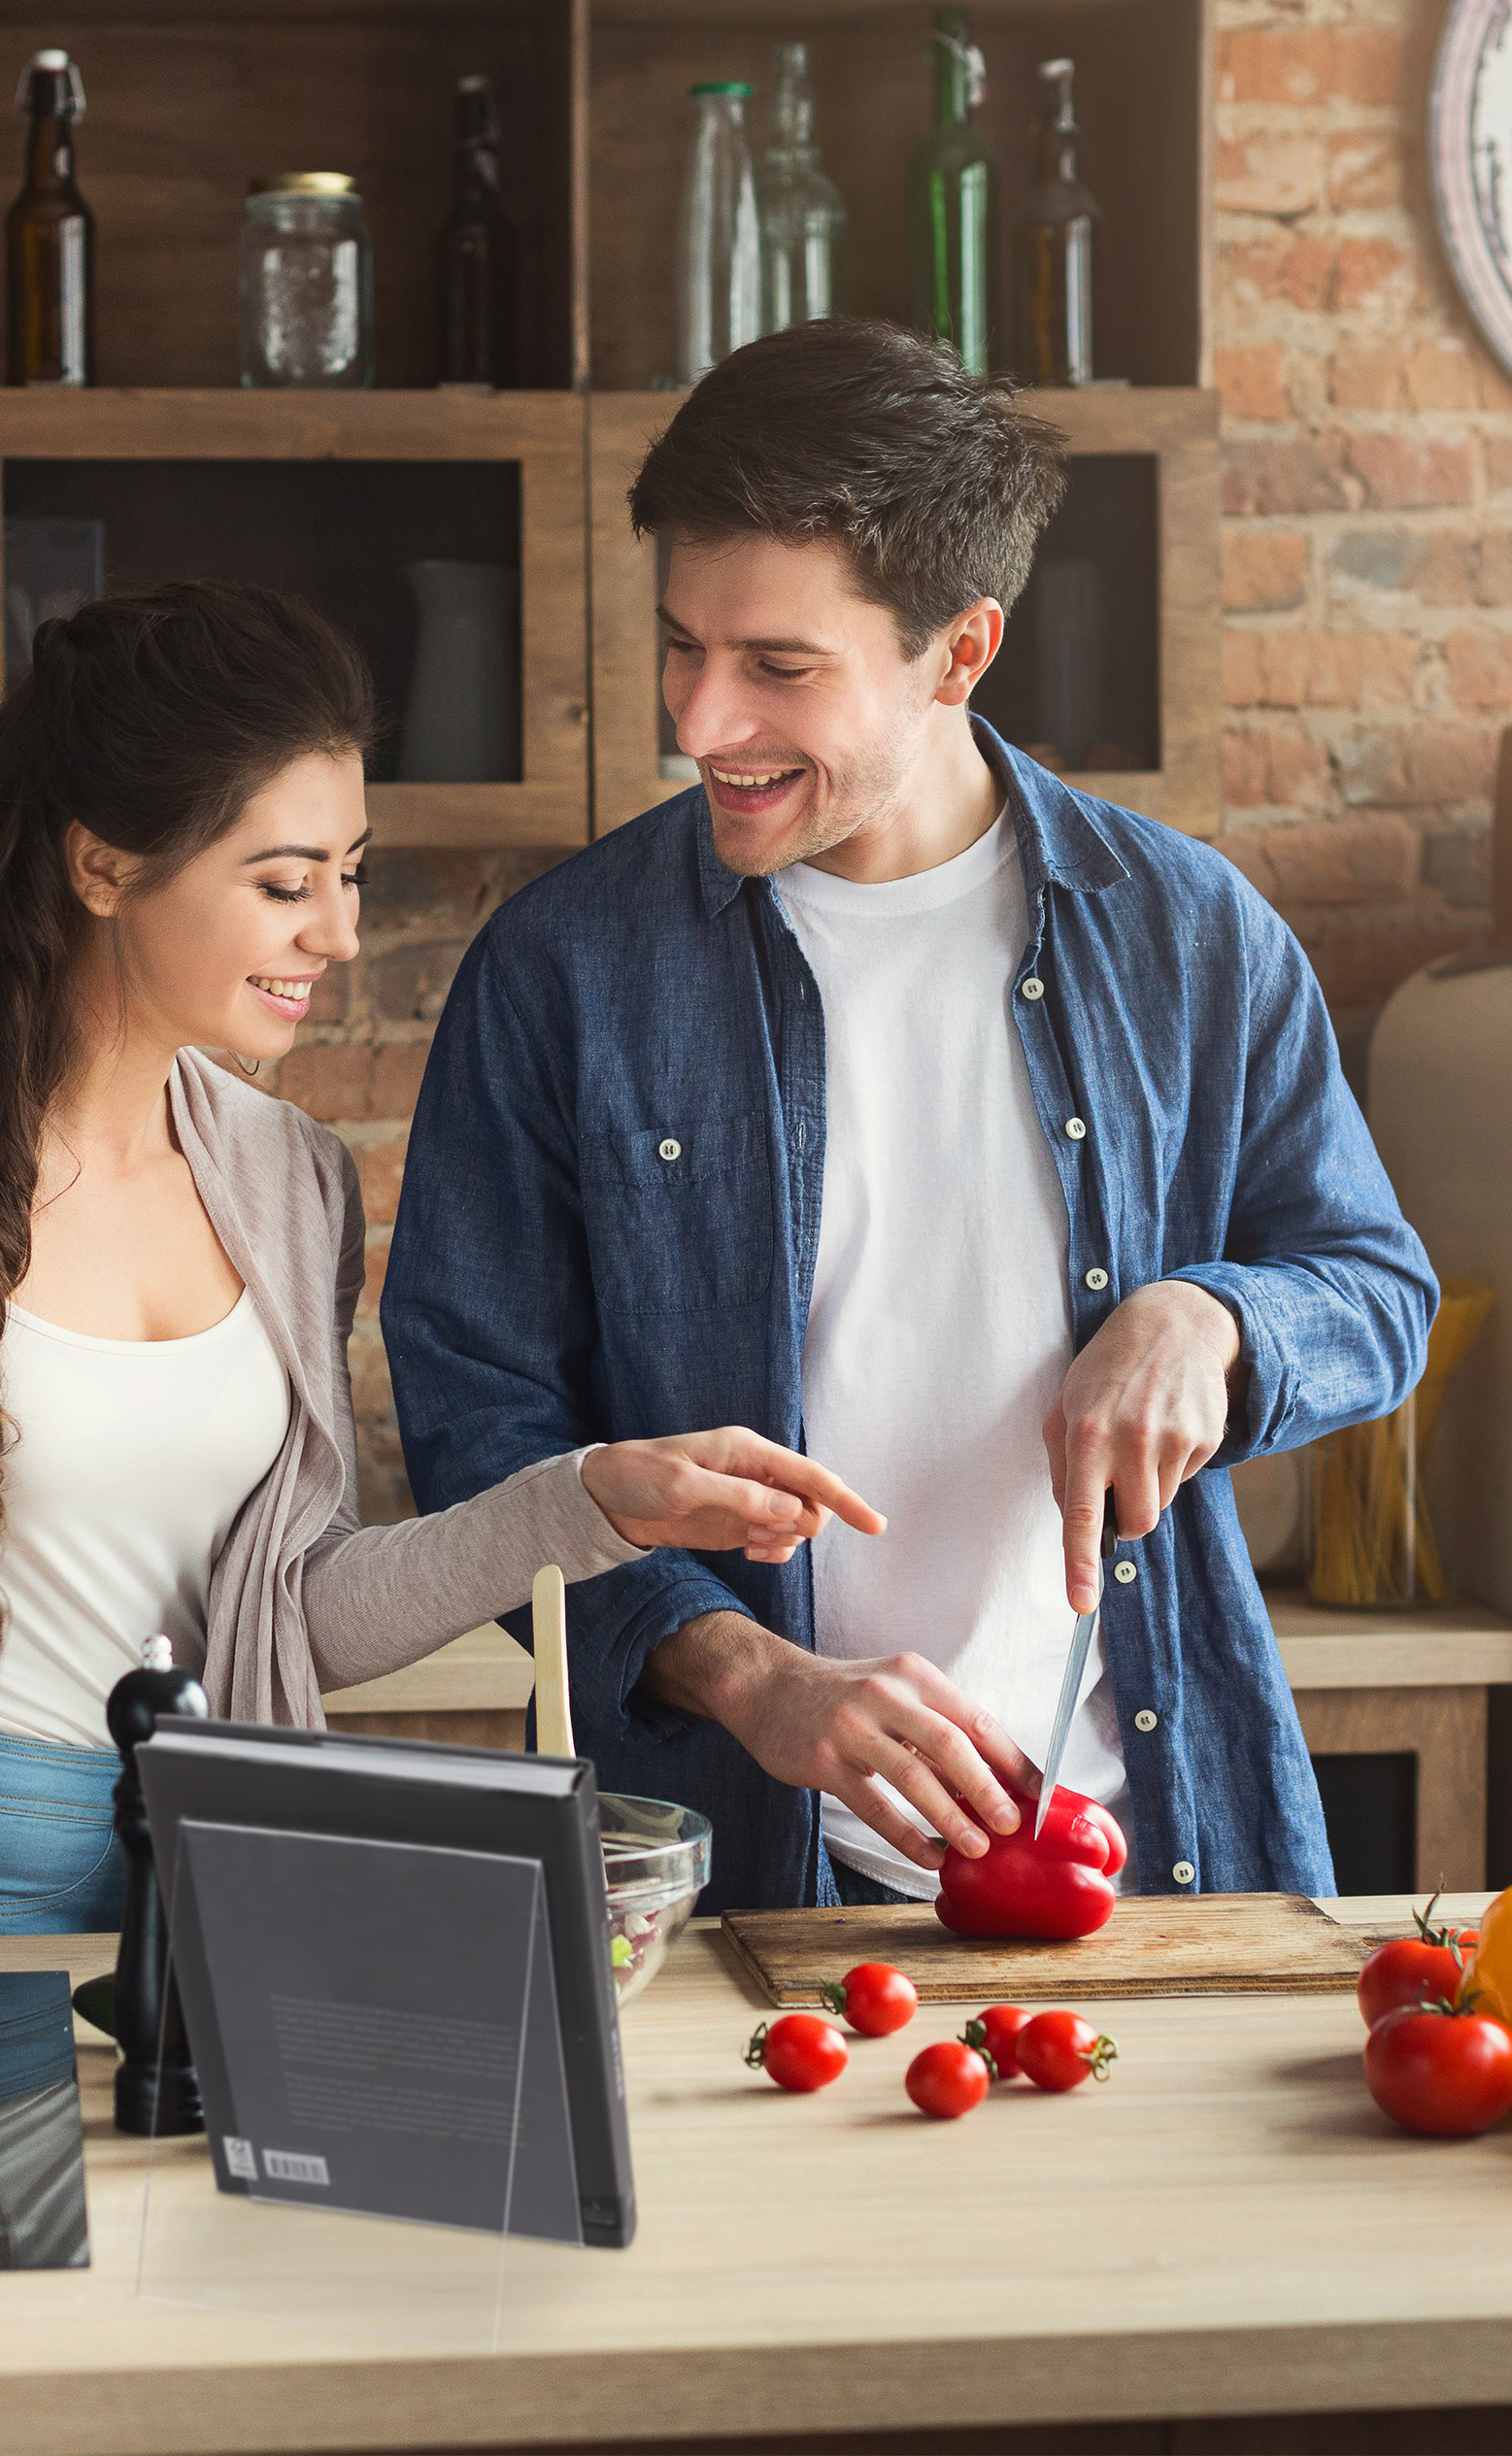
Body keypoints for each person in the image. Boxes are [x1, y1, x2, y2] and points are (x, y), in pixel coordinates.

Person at [0, 584, 878, 1959]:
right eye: (285, 882)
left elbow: (291, 1608)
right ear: (105, 867)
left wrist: (591, 1501)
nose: (340, 934)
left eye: (349, 874)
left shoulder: (289, 1180)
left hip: (228, 1886)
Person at [381, 320, 1437, 1913]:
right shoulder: (564, 972)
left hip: (1149, 1856)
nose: (701, 721)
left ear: (961, 651)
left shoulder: (1190, 937)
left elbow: (1375, 1290)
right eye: (683, 645)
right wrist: (747, 1675)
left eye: (779, 669)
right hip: (747, 1884)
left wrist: (1210, 1321)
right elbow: (480, 1428)